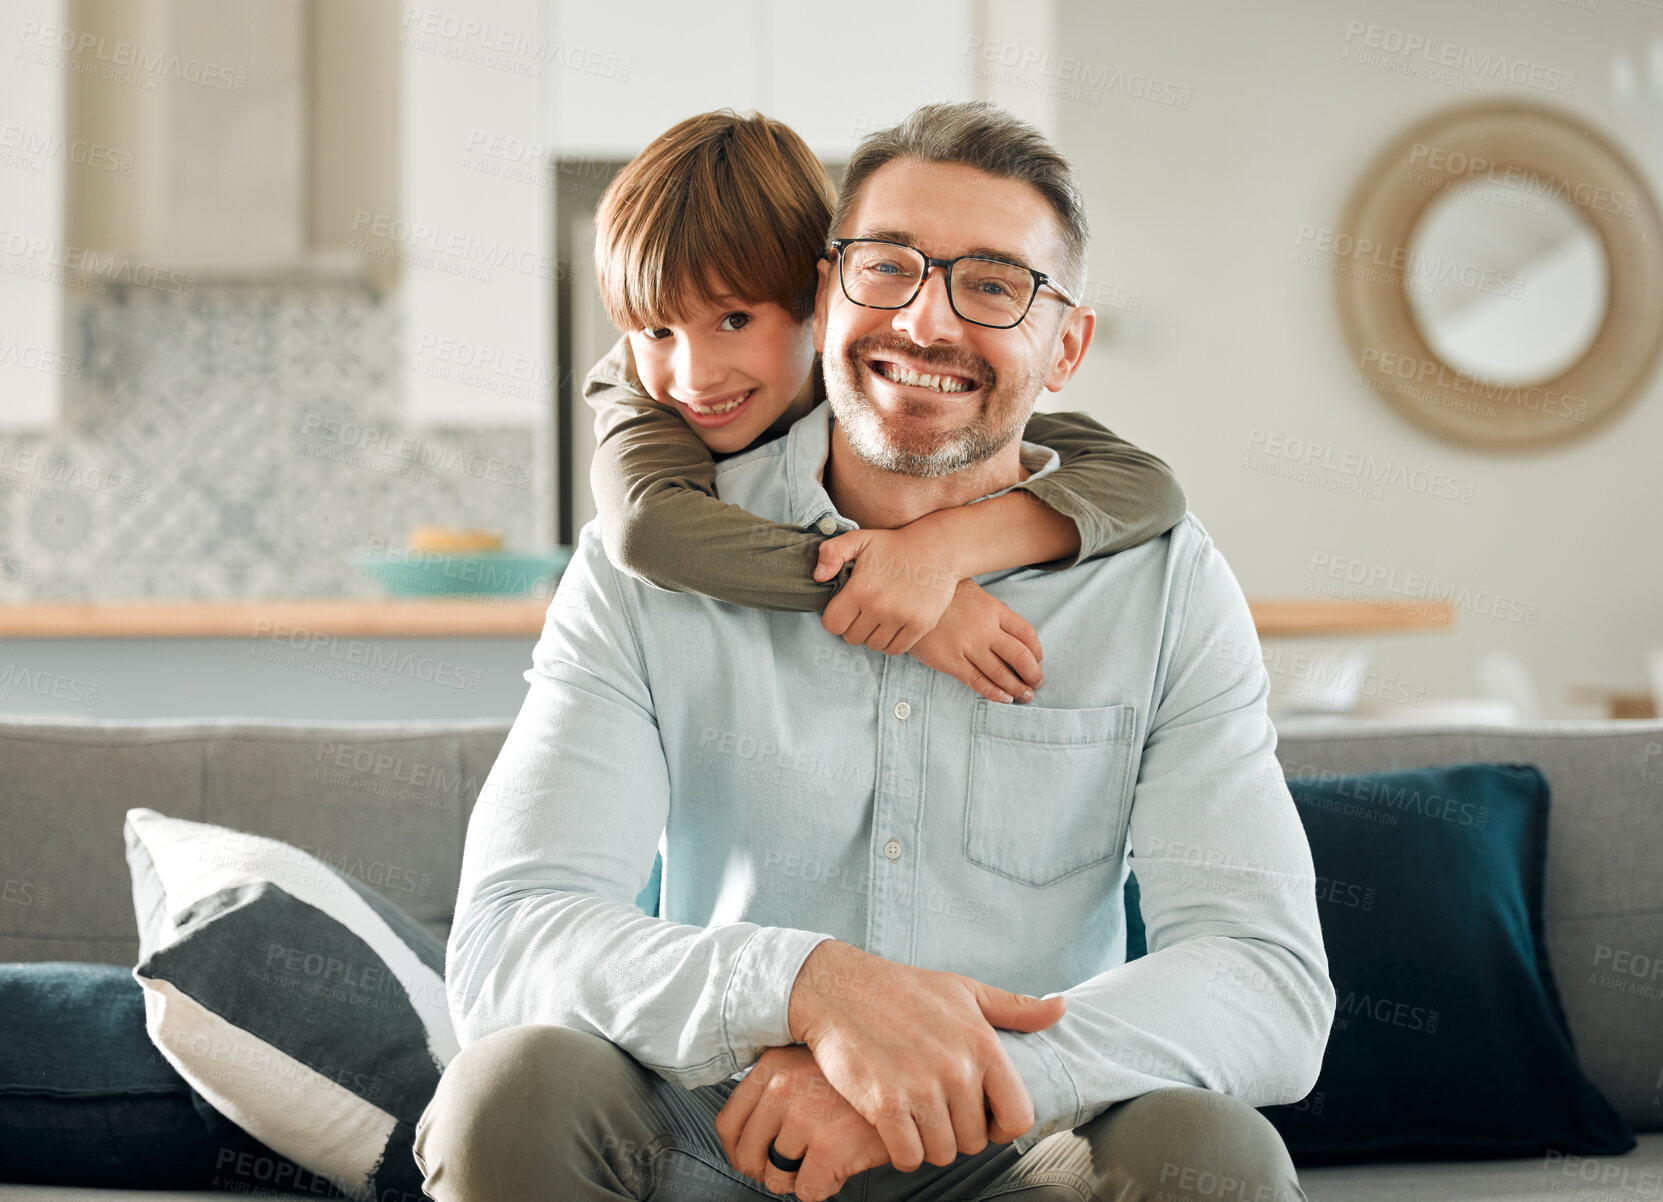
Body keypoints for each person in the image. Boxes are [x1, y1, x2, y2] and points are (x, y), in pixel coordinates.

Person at [415, 101, 1334, 1202]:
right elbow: (511, 941)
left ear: (1066, 344)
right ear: (825, 289)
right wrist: (805, 987)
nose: (927, 321)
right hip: (721, 1122)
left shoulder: (1163, 583)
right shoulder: (642, 564)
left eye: (993, 286)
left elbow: (1267, 979)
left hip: (1018, 1140)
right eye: (888, 268)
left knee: (1218, 1154)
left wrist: (949, 1068)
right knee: (509, 1088)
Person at [580, 110, 1188, 705]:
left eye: (735, 320)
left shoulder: (882, 375)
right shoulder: (639, 395)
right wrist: (897, 591)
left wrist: (940, 553)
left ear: (816, 302)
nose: (695, 377)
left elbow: (1147, 485)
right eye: (656, 329)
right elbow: (646, 530)